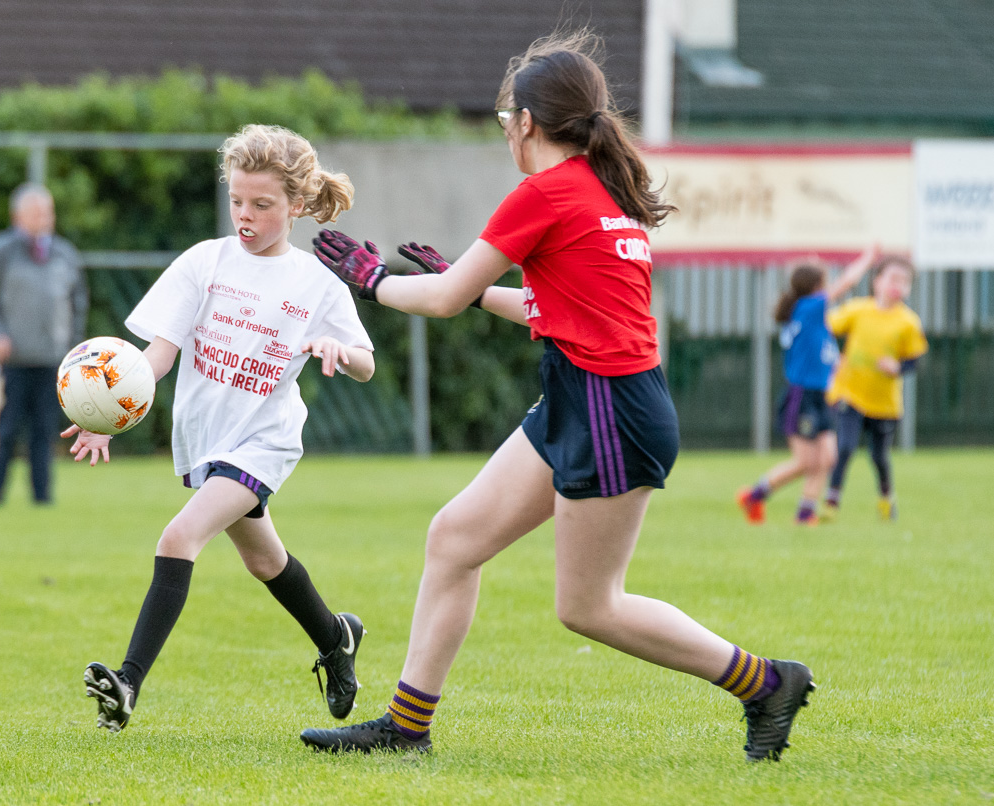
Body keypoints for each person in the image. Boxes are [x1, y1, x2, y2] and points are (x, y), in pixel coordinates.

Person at [298, 30, 815, 763]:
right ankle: (406, 726)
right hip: (594, 400)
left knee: (587, 607)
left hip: (607, 410)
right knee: (454, 539)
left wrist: (372, 279)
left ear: (526, 123)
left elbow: (442, 298)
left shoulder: (544, 191)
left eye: (505, 117)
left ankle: (765, 683)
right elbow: (550, 309)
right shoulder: (604, 191)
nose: (505, 129)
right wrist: (478, 294)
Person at [65, 124, 376, 733]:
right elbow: (158, 354)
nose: (246, 215)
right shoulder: (205, 261)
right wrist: (105, 412)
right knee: (264, 562)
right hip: (208, 439)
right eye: (237, 200)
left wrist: (338, 352)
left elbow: (365, 362)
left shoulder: (316, 282)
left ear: (295, 205)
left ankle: (127, 683)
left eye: (262, 205)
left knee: (179, 539)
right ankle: (336, 638)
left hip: (266, 440)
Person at [0, 183, 88, 505]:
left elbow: (78, 306)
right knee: (4, 435)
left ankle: (43, 500)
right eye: (35, 214)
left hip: (52, 362)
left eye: (47, 212)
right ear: (17, 217)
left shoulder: (64, 255)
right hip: (10, 363)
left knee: (44, 435)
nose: (43, 219)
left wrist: (74, 352)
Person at [736, 247, 876, 525]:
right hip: (802, 397)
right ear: (817, 286)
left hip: (821, 396)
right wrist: (868, 259)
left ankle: (805, 513)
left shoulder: (815, 320)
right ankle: (754, 495)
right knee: (805, 462)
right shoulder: (809, 308)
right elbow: (846, 283)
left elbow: (826, 358)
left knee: (827, 458)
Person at [823, 256, 927, 521]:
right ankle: (831, 502)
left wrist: (898, 367)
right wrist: (832, 358)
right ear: (876, 281)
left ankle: (886, 499)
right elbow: (825, 329)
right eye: (893, 278)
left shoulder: (908, 322)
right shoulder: (857, 309)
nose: (898, 285)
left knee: (879, 456)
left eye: (905, 281)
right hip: (849, 392)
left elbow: (916, 359)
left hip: (884, 401)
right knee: (844, 447)